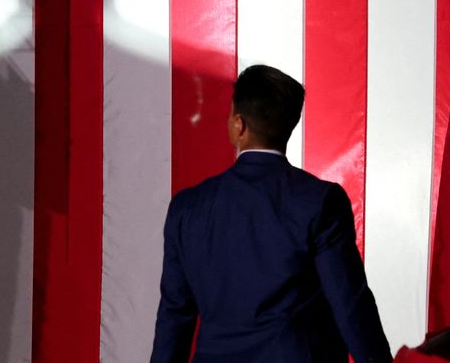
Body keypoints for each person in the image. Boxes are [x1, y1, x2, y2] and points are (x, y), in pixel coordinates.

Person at [151, 64, 392, 362]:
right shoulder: (320, 201)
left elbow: (175, 316)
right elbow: (350, 304)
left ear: (239, 124)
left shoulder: (187, 208)